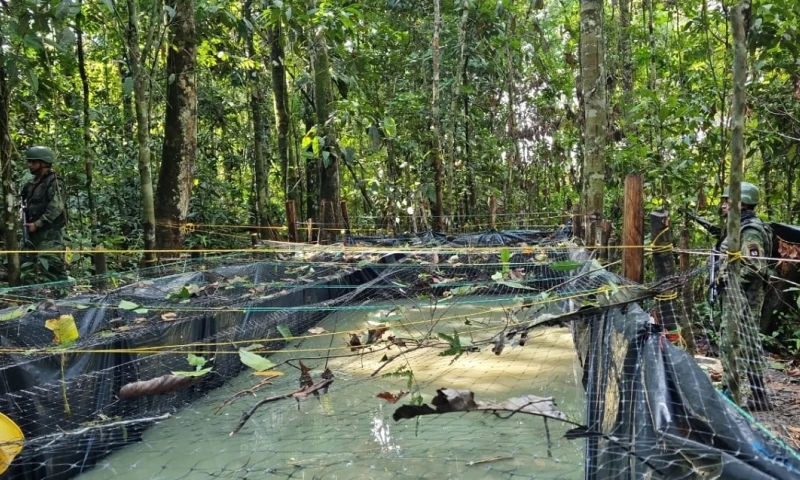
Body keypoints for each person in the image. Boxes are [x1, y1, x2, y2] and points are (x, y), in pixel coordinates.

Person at [717, 181, 772, 411]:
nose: (723, 205)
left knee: (730, 342)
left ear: (742, 203)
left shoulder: (750, 230)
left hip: (742, 296)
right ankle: (759, 397)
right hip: (741, 295)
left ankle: (730, 396)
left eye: (727, 201)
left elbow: (754, 266)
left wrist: (728, 280)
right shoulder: (741, 225)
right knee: (748, 343)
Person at [20, 146, 68, 282]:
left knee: (53, 266)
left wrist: (39, 223)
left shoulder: (55, 182)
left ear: (43, 163)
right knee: (27, 265)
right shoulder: (30, 184)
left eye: (33, 162)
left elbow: (56, 206)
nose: (29, 165)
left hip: (50, 234)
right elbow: (23, 204)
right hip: (31, 231)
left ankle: (64, 296)